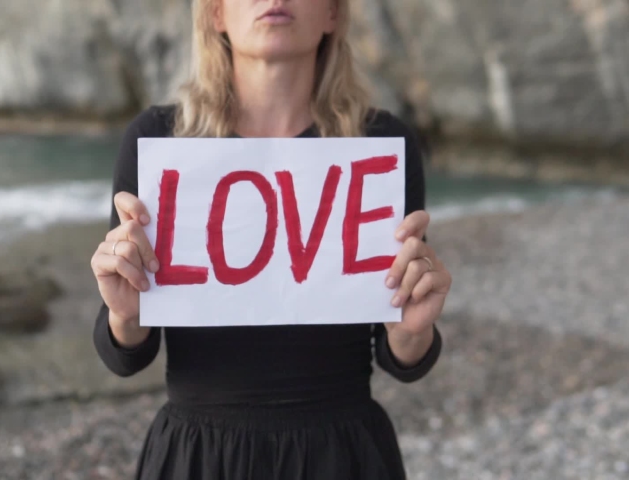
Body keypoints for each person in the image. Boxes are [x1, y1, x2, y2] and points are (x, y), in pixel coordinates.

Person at [91, 0, 452, 478]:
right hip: (200, 455)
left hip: (340, 453)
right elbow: (125, 354)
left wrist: (413, 329)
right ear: (216, 14)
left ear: (331, 15)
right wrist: (123, 312)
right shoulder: (159, 140)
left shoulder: (382, 144)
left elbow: (402, 357)